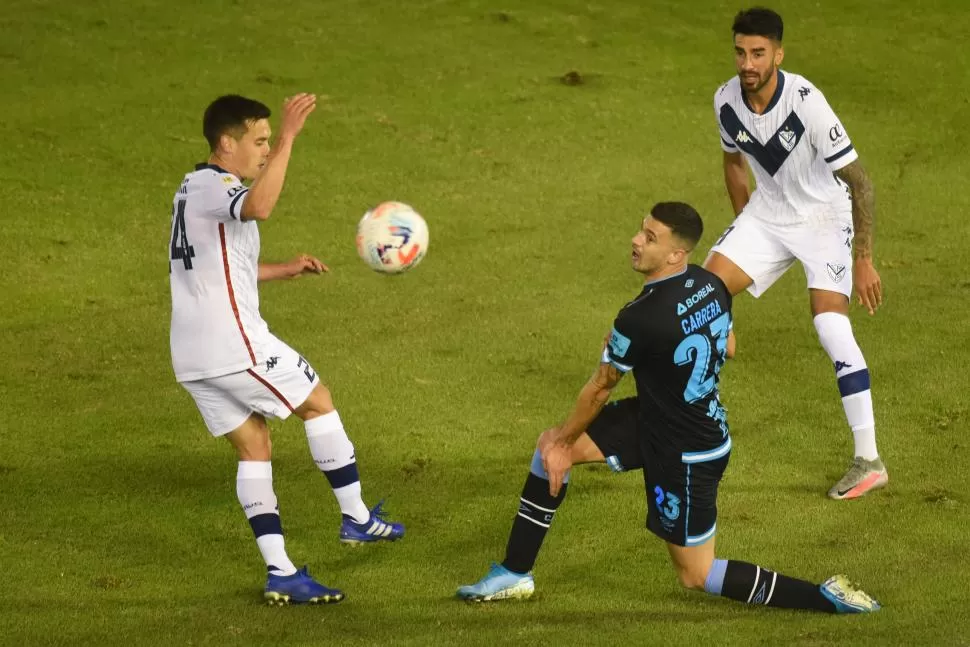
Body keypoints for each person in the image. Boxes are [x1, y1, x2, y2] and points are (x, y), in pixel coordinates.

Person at [456, 202, 880, 614]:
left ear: (676, 253)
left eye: (650, 237)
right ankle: (515, 573)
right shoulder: (710, 282)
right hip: (657, 418)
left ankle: (822, 596)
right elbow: (729, 347)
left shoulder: (639, 316)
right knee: (548, 448)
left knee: (696, 575)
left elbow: (601, 387)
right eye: (642, 229)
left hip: (688, 451)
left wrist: (570, 436)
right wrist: (564, 441)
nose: (636, 240)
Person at [168, 93, 404, 605]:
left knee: (255, 447)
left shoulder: (190, 189)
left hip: (192, 356)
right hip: (234, 344)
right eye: (259, 141)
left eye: (271, 140)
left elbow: (218, 268)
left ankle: (280, 572)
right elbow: (262, 206)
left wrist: (284, 269)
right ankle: (358, 519)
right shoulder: (218, 185)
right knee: (318, 400)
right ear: (226, 143)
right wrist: (293, 137)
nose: (266, 149)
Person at [705, 7, 887, 499]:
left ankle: (868, 460)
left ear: (777, 55)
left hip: (825, 218)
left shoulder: (807, 102)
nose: (748, 63)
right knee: (702, 291)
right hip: (768, 214)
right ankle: (691, 422)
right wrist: (743, 220)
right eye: (741, 52)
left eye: (758, 53)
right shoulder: (725, 101)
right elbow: (734, 164)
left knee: (830, 324)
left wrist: (863, 258)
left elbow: (860, 182)